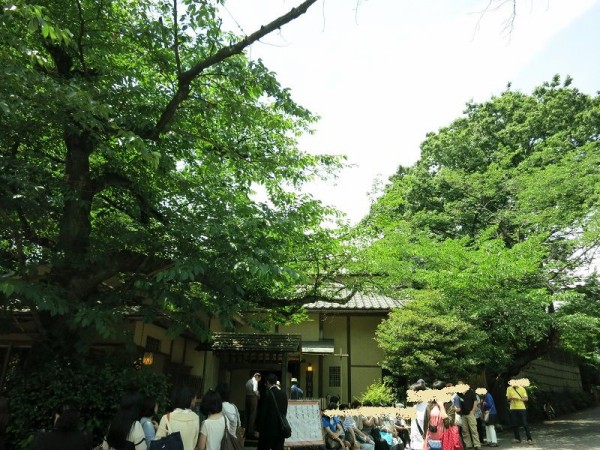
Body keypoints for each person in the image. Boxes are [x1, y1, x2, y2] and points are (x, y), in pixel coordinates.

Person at [256, 373, 288, 450]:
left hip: (268, 430)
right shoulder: (283, 394)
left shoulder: (267, 394)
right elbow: (284, 411)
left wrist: (258, 429)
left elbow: (263, 413)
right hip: (280, 429)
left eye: (265, 383)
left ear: (267, 382)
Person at [506, 379, 533, 445]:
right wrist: (512, 398)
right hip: (513, 408)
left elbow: (526, 398)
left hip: (521, 408)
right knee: (514, 424)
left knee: (525, 424)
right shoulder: (509, 389)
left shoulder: (522, 388)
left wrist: (519, 399)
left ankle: (529, 439)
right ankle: (517, 438)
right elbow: (508, 398)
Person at [455, 381, 481, 450]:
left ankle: (477, 445)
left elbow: (475, 401)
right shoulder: (458, 394)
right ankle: (468, 445)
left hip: (470, 413)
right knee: (465, 431)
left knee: (474, 430)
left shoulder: (470, 392)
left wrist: (473, 410)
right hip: (462, 414)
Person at [245, 373, 261, 438]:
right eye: (259, 378)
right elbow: (255, 390)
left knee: (247, 414)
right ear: (257, 376)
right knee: (252, 415)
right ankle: (250, 431)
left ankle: (245, 429)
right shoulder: (255, 381)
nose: (259, 380)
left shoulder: (248, 381)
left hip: (247, 397)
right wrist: (258, 395)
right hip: (253, 398)